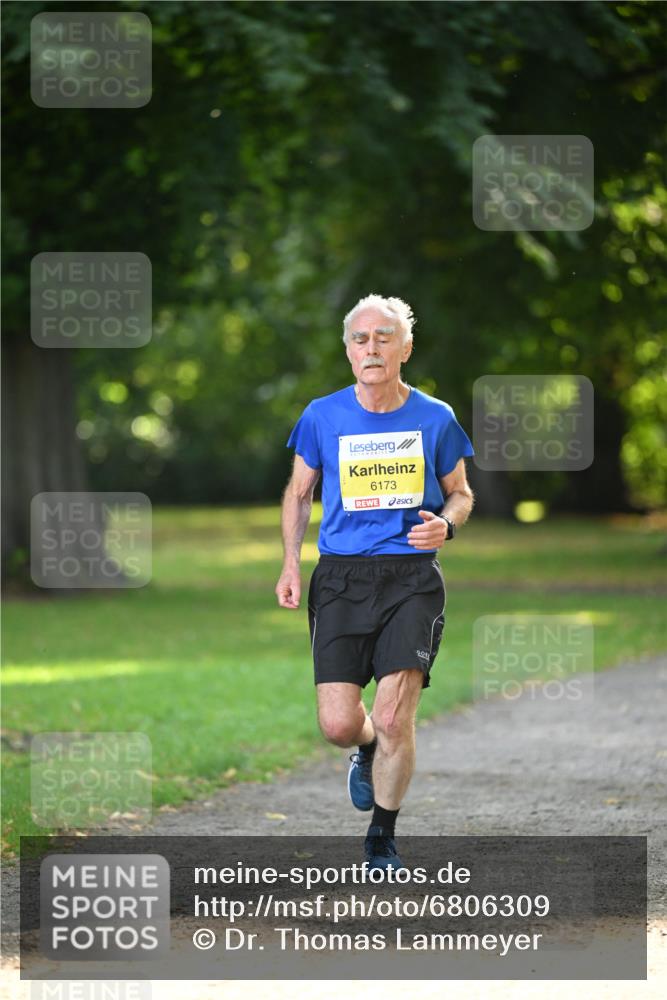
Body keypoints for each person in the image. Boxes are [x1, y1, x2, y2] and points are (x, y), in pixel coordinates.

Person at [275, 294, 475, 871]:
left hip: (410, 578)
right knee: (341, 724)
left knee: (393, 716)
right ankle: (364, 749)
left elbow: (461, 492)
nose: (371, 348)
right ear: (347, 350)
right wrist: (291, 563)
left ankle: (381, 836)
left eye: (384, 338)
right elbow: (299, 492)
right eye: (361, 339)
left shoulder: (434, 417)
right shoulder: (322, 415)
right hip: (340, 576)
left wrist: (446, 523)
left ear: (405, 348)